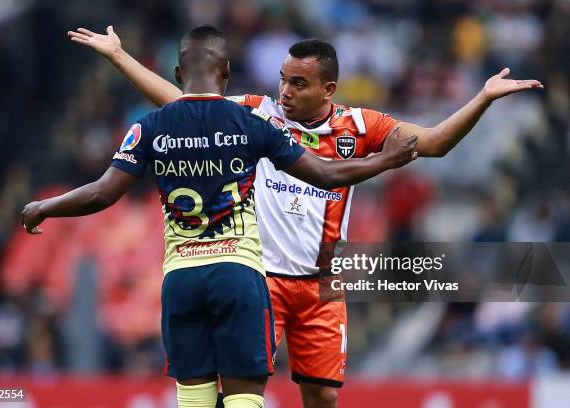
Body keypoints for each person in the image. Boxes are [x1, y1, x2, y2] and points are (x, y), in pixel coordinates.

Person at [67, 25, 543, 408]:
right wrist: (118, 56)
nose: (285, 91)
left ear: (328, 88)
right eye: (282, 79)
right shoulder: (257, 114)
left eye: (298, 83)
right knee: (232, 391)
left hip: (321, 282)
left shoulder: (362, 126)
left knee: (323, 395)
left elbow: (434, 142)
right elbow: (181, 104)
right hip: (259, 276)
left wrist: (481, 97)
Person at [25, 25, 418, 408]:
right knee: (244, 397)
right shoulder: (251, 124)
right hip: (239, 274)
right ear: (226, 72)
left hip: (181, 276)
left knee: (195, 399)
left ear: (179, 75)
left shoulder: (149, 126)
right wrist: (385, 160)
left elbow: (101, 193)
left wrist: (45, 206)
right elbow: (327, 173)